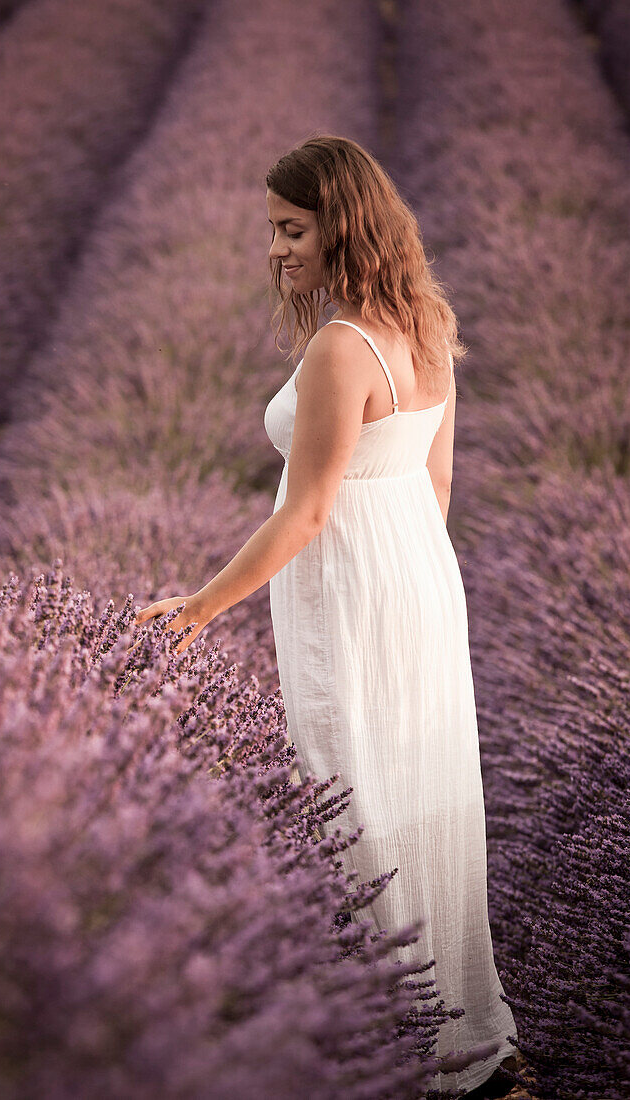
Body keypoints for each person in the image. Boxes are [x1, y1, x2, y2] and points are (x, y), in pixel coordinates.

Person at [134, 134, 519, 1097]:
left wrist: (193, 610)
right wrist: (405, 589)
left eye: (291, 228)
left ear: (340, 223)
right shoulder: (426, 322)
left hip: (351, 588)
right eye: (271, 230)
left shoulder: (340, 348)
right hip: (418, 583)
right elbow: (433, 490)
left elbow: (305, 512)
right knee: (415, 789)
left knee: (351, 794)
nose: (276, 250)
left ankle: (393, 1042)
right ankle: (466, 1042)